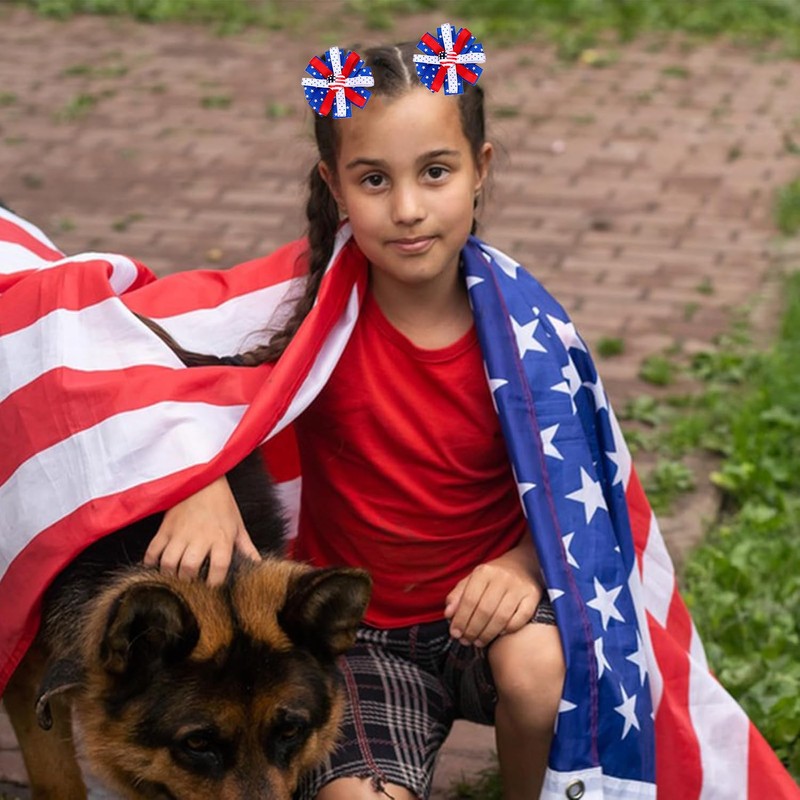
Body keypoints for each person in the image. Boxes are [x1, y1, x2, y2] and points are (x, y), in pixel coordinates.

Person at [143, 41, 565, 800]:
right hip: (356, 636)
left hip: (486, 613)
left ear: (482, 169)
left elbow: (575, 491)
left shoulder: (528, 333)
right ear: (334, 185)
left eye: (435, 172)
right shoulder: (306, 312)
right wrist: (198, 482)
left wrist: (521, 566)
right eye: (374, 179)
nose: (407, 209)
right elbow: (152, 363)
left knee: (538, 675)